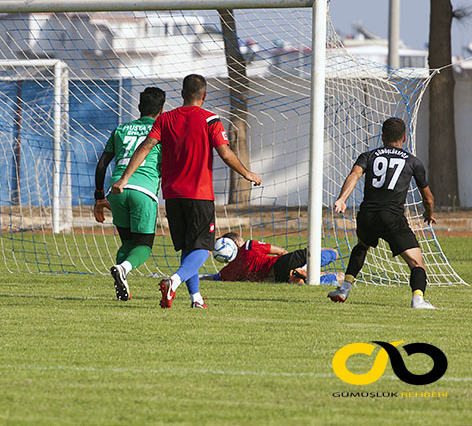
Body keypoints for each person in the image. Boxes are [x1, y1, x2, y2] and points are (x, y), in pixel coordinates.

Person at [111, 74, 261, 308]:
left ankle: (196, 298)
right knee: (203, 248)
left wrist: (124, 178)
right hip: (199, 195)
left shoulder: (166, 119)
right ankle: (174, 281)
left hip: (172, 196)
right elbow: (225, 153)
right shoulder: (211, 119)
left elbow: (145, 147)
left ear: (181, 94)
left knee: (188, 248)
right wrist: (246, 173)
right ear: (204, 95)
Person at [329, 117, 437, 309]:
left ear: (382, 137)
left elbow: (354, 175)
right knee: (417, 263)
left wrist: (342, 199)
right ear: (404, 137)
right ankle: (418, 300)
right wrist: (429, 214)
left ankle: (344, 288)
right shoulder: (413, 162)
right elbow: (428, 198)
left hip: (367, 215)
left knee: (362, 246)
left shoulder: (368, 155)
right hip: (392, 217)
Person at [93, 87, 166, 301]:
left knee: (127, 242)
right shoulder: (162, 129)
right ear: (162, 110)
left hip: (117, 190)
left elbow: (101, 165)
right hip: (143, 191)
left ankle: (121, 285)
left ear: (138, 107)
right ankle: (123, 268)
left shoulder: (121, 129)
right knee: (144, 245)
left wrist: (99, 197)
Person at [206, 232, 343, 285]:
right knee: (333, 252)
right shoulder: (248, 246)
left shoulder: (227, 272)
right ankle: (300, 270)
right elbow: (281, 251)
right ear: (236, 243)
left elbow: (212, 277)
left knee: (337, 277)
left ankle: (303, 274)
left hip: (277, 278)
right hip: (280, 264)